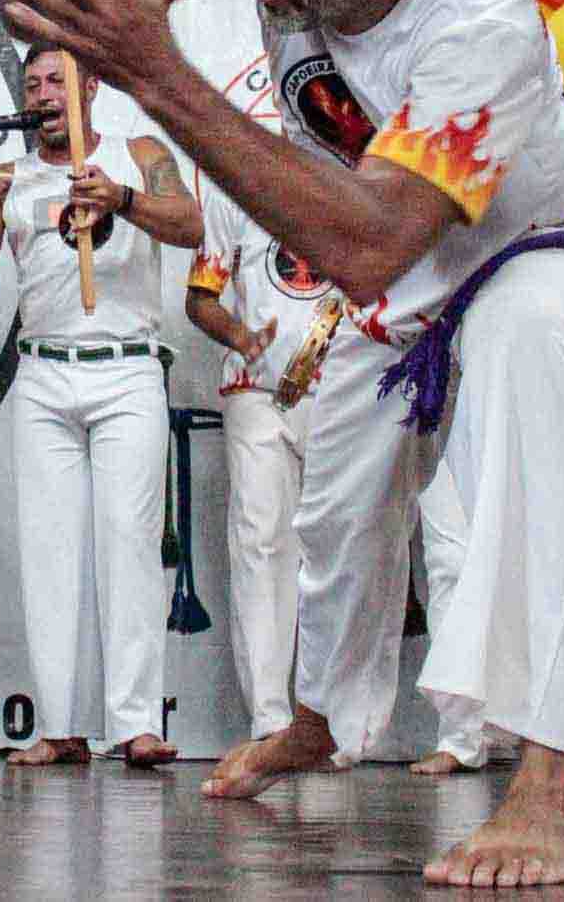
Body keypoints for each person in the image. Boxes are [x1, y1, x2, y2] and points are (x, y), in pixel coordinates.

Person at [0, 0, 564, 886]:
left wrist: (156, 74)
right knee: (335, 499)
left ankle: (552, 788)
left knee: (527, 366)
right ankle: (316, 717)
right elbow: (71, 17)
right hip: (408, 266)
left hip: (531, 240)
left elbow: (364, 247)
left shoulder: (479, 13)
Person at [0, 47, 201, 768]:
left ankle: (136, 723)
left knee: (128, 544)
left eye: (57, 81)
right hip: (44, 374)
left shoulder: (139, 154)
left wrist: (124, 200)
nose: (44, 94)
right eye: (34, 85)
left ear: (92, 87)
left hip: (126, 370)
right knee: (47, 551)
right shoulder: (5, 178)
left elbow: (191, 225)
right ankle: (58, 725)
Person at [183, 182, 333, 749]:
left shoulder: (356, 179)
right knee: (260, 544)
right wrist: (242, 336)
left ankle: (332, 719)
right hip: (255, 392)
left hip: (342, 390)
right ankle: (271, 720)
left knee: (338, 552)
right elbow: (200, 298)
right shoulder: (233, 187)